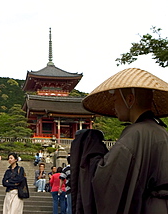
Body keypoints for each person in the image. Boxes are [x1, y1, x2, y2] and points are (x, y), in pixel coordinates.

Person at [71, 68, 168, 214]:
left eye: (115, 99)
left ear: (130, 99)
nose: (113, 106)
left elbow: (107, 180)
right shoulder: (161, 131)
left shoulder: (135, 133)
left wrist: (90, 146)